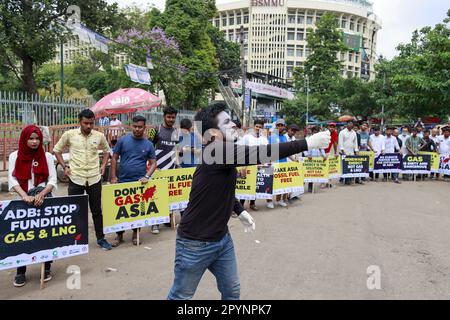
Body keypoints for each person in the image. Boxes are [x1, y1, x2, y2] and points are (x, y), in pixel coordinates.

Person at [167, 102, 330, 300]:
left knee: (232, 291)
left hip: (221, 240)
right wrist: (307, 143)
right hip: (194, 244)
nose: (234, 125)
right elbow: (259, 154)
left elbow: (222, 189)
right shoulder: (215, 151)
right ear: (213, 133)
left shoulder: (222, 153)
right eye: (227, 122)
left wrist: (240, 210)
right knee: (181, 296)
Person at [54, 109, 113, 250]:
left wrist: (104, 165)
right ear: (79, 122)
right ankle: (74, 240)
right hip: (76, 178)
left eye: (91, 123)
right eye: (86, 123)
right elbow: (57, 150)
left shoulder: (99, 136)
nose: (88, 126)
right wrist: (64, 166)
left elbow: (107, 150)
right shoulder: (70, 135)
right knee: (74, 210)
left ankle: (101, 239)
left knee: (97, 211)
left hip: (94, 178)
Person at [8, 125, 57, 287]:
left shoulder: (48, 156)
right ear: (24, 139)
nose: (34, 142)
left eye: (37, 138)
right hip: (23, 201)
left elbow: (52, 180)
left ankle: (47, 267)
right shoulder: (15, 156)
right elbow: (13, 180)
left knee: (45, 234)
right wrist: (25, 196)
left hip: (44, 199)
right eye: (31, 138)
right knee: (22, 236)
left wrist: (41, 194)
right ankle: (20, 271)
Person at [110, 115, 157, 247]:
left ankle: (136, 234)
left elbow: (153, 163)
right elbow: (114, 158)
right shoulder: (123, 140)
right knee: (120, 210)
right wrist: (113, 176)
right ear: (131, 126)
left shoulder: (148, 145)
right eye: (135, 126)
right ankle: (119, 236)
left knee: (137, 210)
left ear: (144, 127)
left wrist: (147, 176)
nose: (137, 129)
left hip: (139, 183)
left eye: (140, 127)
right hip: (122, 181)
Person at [148, 106, 179, 234]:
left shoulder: (176, 132)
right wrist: (151, 165)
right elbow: (148, 147)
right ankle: (155, 224)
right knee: (156, 195)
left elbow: (175, 150)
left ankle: (167, 219)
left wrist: (177, 165)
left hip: (171, 169)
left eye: (173, 117)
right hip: (157, 169)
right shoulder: (156, 129)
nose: (171, 119)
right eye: (169, 117)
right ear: (164, 116)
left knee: (169, 195)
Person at [239, 120, 269, 210]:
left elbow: (267, 151)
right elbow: (241, 150)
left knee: (256, 184)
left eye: (260, 127)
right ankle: (241, 205)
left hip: (259, 165)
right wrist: (243, 166)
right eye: (257, 126)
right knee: (246, 184)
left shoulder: (264, 138)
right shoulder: (247, 137)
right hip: (248, 164)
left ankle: (252, 203)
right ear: (253, 127)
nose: (258, 129)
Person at [266, 119, 289, 208]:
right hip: (273, 162)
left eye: (281, 125)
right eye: (278, 125)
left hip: (283, 162)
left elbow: (287, 149)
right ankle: (269, 201)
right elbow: (268, 150)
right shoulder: (272, 136)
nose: (280, 127)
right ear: (276, 126)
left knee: (280, 182)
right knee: (270, 182)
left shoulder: (285, 137)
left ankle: (279, 200)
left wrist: (293, 159)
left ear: (284, 126)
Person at [303, 126, 326, 192]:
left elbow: (322, 149)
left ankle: (310, 188)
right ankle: (301, 189)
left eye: (317, 132)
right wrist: (307, 155)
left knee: (313, 174)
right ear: (312, 132)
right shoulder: (308, 138)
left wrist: (324, 156)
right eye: (314, 132)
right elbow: (304, 148)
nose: (315, 133)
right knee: (306, 173)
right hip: (308, 159)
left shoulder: (320, 140)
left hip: (316, 159)